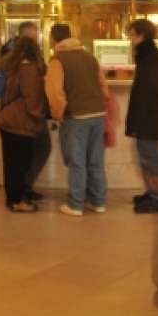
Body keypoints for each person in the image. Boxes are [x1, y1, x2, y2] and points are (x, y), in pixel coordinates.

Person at [46, 23, 111, 217]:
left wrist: (59, 114)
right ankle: (99, 202)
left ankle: (75, 205)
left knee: (77, 162)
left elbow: (54, 92)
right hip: (97, 114)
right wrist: (99, 104)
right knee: (95, 161)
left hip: (76, 117)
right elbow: (103, 87)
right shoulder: (90, 57)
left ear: (54, 40)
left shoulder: (58, 60)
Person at [0, 35, 47, 213]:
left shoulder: (6, 66)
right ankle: (17, 200)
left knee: (10, 162)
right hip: (21, 123)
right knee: (21, 163)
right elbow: (33, 100)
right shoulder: (30, 69)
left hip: (5, 119)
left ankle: (11, 198)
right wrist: (40, 117)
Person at [125, 18, 158, 214]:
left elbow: (148, 91)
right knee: (145, 155)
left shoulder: (150, 56)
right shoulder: (147, 55)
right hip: (146, 115)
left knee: (150, 156)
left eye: (132, 35)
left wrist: (140, 118)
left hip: (148, 115)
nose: (130, 39)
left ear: (141, 35)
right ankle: (152, 191)